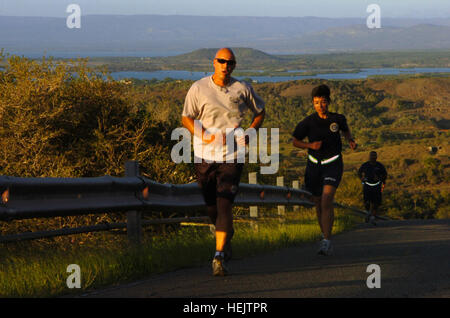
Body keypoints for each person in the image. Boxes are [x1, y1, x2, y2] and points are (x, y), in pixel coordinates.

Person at [181, 48, 266, 276]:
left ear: (234, 66)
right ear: (214, 63)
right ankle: (225, 233)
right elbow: (186, 117)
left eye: (230, 63)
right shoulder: (198, 88)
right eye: (222, 61)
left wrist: (250, 131)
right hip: (204, 155)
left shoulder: (242, 88)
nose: (226, 66)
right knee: (211, 207)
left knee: (224, 203)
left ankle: (218, 256)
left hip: (232, 155)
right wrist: (202, 135)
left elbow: (260, 112)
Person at [292, 84, 357, 256]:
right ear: (313, 104)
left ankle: (327, 241)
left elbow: (346, 130)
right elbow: (295, 141)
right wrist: (309, 145)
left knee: (327, 199)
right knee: (318, 203)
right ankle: (324, 234)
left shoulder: (337, 119)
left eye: (323, 102)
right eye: (316, 103)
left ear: (328, 102)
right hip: (314, 166)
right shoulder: (308, 122)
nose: (320, 105)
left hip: (333, 164)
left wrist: (350, 140)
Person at [357, 151, 387, 225]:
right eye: (371, 156)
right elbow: (359, 172)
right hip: (367, 185)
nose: (373, 157)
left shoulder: (380, 166)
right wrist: (362, 179)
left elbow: (385, 174)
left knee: (376, 202)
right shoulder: (365, 165)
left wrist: (381, 179)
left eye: (374, 156)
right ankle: (367, 214)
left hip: (377, 186)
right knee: (367, 201)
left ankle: (373, 217)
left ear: (376, 157)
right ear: (369, 156)